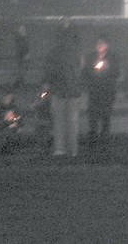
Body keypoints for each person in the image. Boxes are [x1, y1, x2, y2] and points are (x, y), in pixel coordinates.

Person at [43, 26, 83, 157]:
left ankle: (60, 148)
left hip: (59, 92)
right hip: (72, 92)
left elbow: (48, 72)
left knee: (59, 122)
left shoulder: (53, 53)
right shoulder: (76, 53)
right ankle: (73, 150)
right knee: (72, 123)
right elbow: (80, 73)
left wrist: (49, 85)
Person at [82, 36, 120, 143]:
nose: (100, 45)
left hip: (108, 90)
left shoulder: (113, 57)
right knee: (93, 114)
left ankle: (105, 137)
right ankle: (93, 136)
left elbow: (117, 73)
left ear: (107, 45)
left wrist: (108, 69)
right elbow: (85, 73)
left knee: (106, 114)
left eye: (102, 43)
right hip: (94, 90)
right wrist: (94, 71)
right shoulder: (90, 57)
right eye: (98, 43)